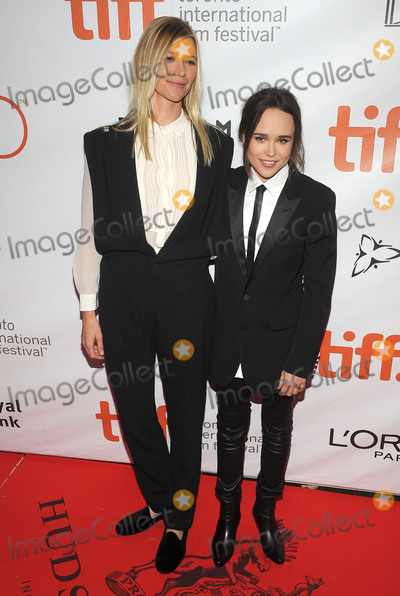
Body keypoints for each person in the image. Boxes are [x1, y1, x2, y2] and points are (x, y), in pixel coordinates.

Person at [73, 16, 233, 574]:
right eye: (169, 59)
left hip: (188, 294)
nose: (180, 72)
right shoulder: (104, 144)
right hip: (122, 296)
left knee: (188, 412)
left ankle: (179, 519)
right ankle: (158, 498)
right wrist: (88, 311)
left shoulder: (217, 143)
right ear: (148, 64)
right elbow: (88, 232)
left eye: (189, 61)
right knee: (136, 409)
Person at [208, 88, 337, 566]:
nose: (270, 150)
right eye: (260, 137)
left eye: (283, 140)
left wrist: (301, 361)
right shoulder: (218, 187)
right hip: (226, 342)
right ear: (243, 136)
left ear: (295, 143)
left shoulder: (316, 198)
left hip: (283, 347)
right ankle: (227, 516)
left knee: (277, 432)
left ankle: (265, 512)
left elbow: (318, 289)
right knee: (229, 432)